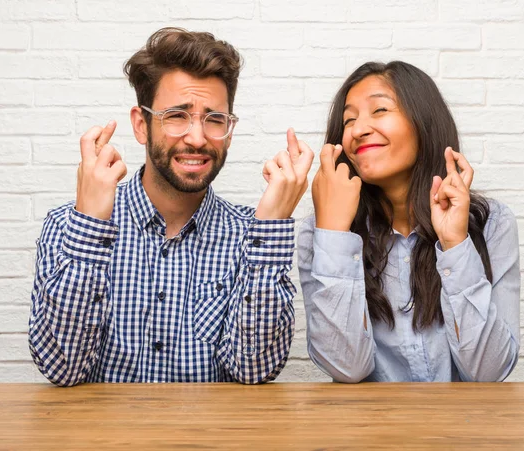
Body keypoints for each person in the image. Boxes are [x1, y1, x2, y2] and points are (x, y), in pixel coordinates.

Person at [29, 27, 314, 386]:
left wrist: (272, 224)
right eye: (177, 115)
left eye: (215, 119)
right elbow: (63, 370)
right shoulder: (68, 227)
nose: (197, 138)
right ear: (141, 125)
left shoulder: (252, 237)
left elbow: (253, 370)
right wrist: (89, 225)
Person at [298, 61, 520, 383]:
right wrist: (333, 232)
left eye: (380, 110)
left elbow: (489, 372)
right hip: (371, 429)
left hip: (466, 429)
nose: (358, 130)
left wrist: (455, 244)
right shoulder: (318, 235)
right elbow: (346, 368)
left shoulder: (491, 224)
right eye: (349, 120)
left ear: (423, 122)